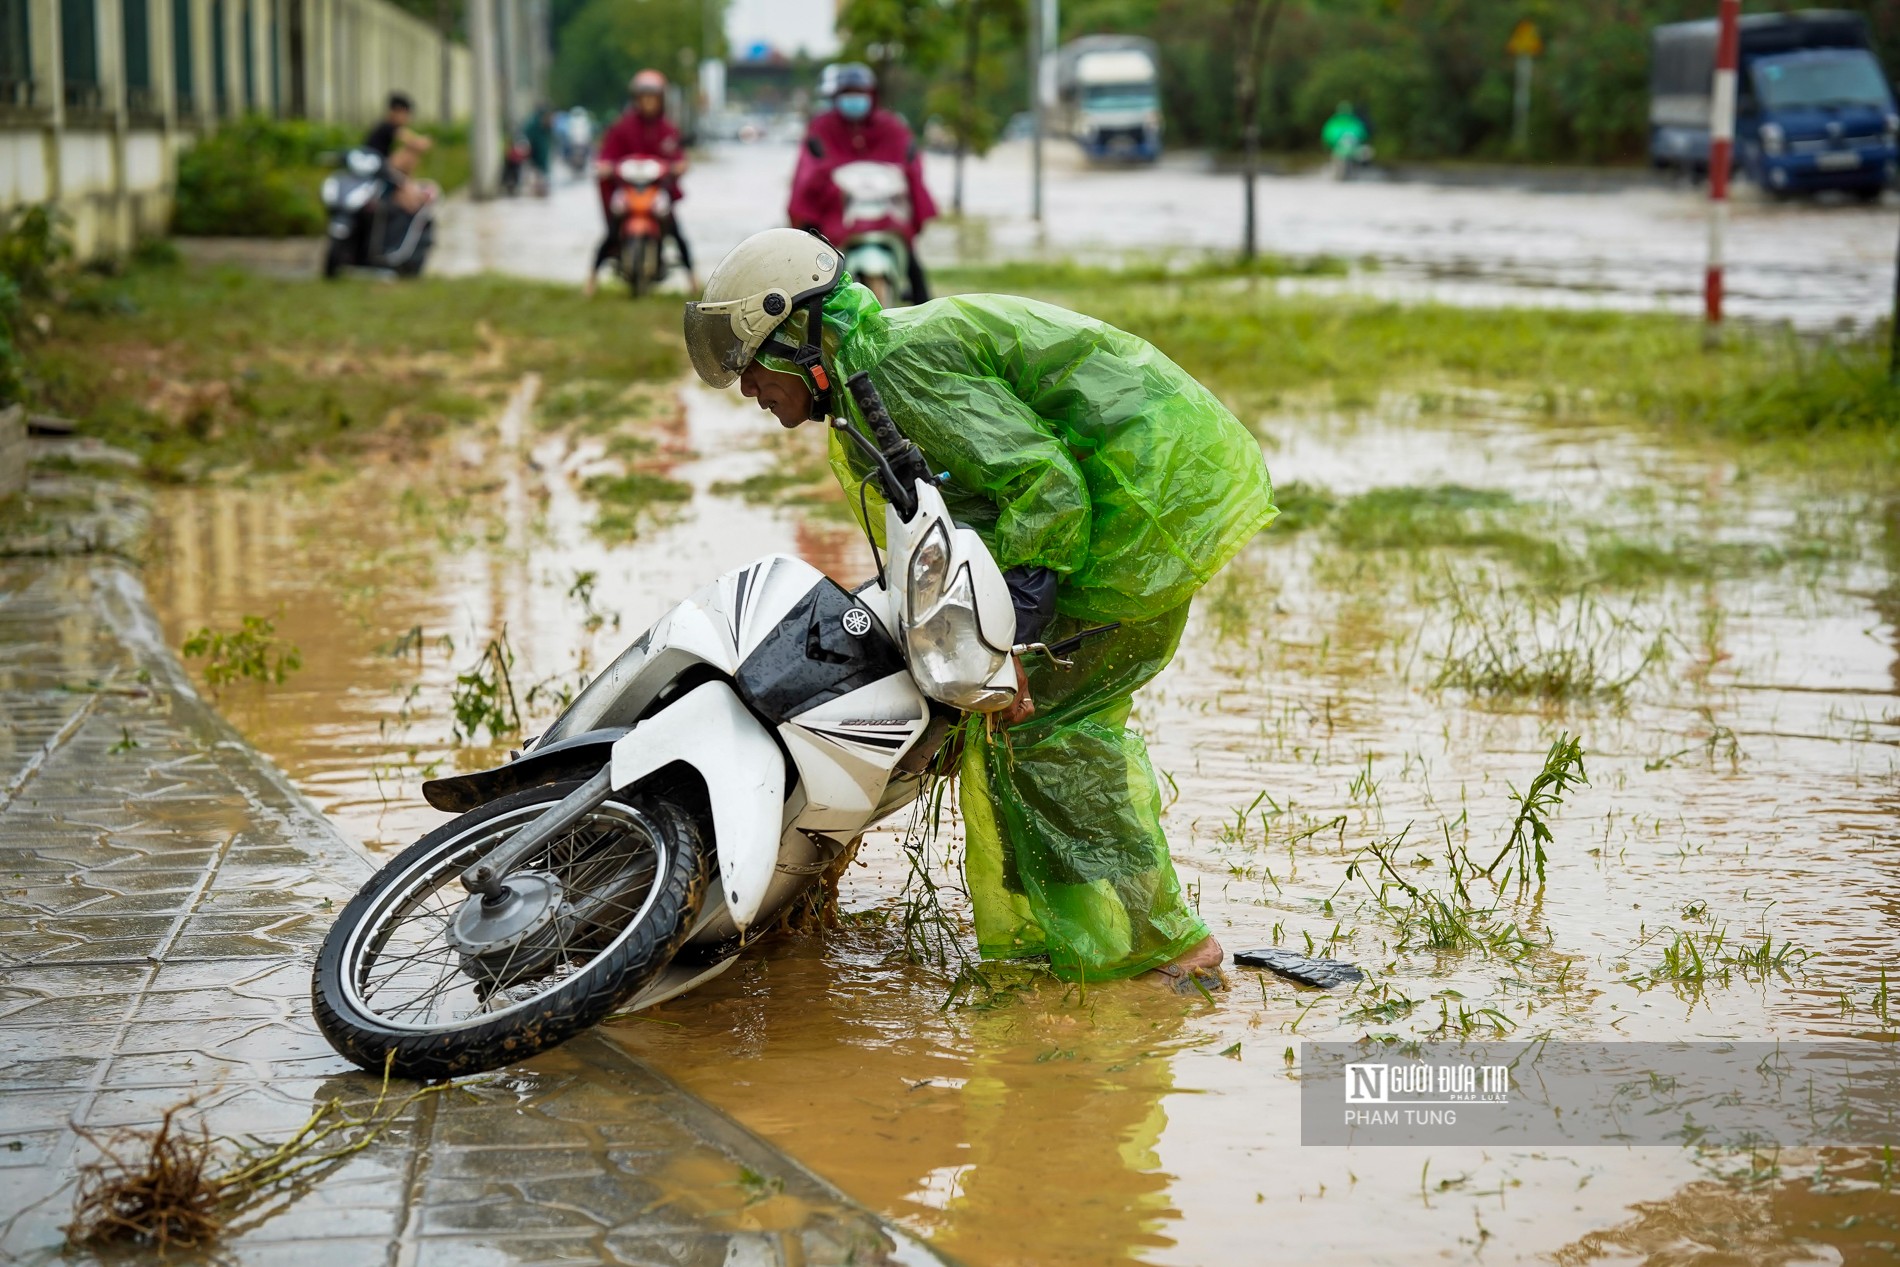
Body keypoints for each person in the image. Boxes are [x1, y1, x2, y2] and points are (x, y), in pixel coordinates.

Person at [682, 228, 1278, 988]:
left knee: (1047, 734)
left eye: (754, 364)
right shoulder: (866, 383)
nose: (748, 389)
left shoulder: (892, 368)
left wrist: (1016, 645)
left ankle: (1164, 951)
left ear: (801, 338)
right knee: (1014, 740)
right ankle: (1076, 944)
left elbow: (1046, 486)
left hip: (1139, 507)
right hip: (1109, 512)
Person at [788, 63, 937, 304]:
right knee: (807, 269)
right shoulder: (822, 127)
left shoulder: (891, 126)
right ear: (837, 96)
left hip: (884, 213)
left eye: (860, 93)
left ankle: (927, 320)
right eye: (848, 93)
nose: (854, 99)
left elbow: (908, 160)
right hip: (835, 211)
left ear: (871, 95)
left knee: (913, 265)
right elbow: (808, 171)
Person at [588, 70, 697, 296]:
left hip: (656, 192)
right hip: (628, 192)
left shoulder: (668, 129)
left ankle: (692, 279)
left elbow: (677, 156)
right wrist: (605, 166)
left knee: (676, 231)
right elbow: (607, 154)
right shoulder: (621, 128)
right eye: (644, 97)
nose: (648, 103)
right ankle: (591, 280)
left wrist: (680, 165)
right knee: (611, 230)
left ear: (660, 100)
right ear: (636, 100)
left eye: (653, 98)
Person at [363, 92, 436, 214]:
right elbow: (413, 142)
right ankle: (408, 187)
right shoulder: (387, 126)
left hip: (381, 165)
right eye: (406, 114)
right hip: (376, 167)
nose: (407, 118)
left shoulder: (386, 127)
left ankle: (407, 186)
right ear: (397, 111)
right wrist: (424, 141)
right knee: (410, 152)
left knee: (408, 153)